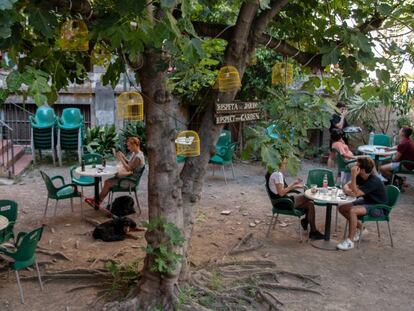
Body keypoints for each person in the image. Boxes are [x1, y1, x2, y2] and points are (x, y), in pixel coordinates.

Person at [265, 159, 324, 240]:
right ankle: (307, 223)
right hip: (283, 202)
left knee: (310, 203)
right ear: (282, 161)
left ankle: (312, 230)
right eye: (285, 159)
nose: (287, 160)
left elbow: (281, 189)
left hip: (283, 200)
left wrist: (295, 184)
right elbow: (281, 193)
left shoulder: (274, 172)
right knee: (308, 196)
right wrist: (293, 186)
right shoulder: (277, 174)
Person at [337, 157, 388, 251]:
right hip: (368, 202)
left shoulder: (374, 181)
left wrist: (353, 177)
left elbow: (355, 193)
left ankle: (349, 242)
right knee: (342, 208)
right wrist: (349, 190)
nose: (354, 167)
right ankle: (362, 229)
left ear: (362, 170)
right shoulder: (361, 176)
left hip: (379, 208)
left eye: (357, 165)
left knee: (353, 211)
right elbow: (345, 186)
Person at [86, 137, 145, 209]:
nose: (128, 148)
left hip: (130, 181)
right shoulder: (136, 153)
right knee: (107, 181)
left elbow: (129, 169)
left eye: (129, 146)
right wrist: (123, 157)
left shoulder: (138, 157)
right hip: (129, 177)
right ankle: (96, 200)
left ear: (135, 145)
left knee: (107, 182)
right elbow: (130, 164)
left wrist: (121, 159)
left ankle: (97, 201)